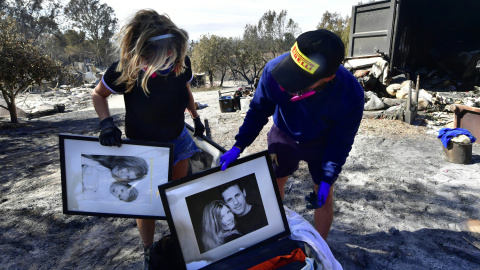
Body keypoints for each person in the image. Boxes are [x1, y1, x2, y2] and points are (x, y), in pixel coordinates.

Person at [219, 29, 364, 240]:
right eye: (291, 72)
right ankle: (275, 234)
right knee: (275, 182)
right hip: (284, 134)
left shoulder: (350, 94)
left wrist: (327, 178)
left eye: (299, 81)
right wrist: (238, 146)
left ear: (328, 78)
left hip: (321, 141)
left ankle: (320, 245)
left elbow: (340, 143)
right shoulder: (273, 71)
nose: (288, 85)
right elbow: (258, 111)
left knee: (325, 194)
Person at [90, 9, 205, 269]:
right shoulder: (126, 69)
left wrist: (195, 117)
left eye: (172, 52)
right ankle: (148, 251)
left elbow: (186, 90)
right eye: (163, 52)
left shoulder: (180, 62)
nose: (169, 57)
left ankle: (182, 246)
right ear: (144, 51)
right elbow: (98, 95)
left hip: (179, 141)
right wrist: (106, 124)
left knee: (178, 195)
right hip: (144, 149)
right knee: (146, 203)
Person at [82, 154, 149, 182]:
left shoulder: (104, 172)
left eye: (128, 177)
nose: (123, 174)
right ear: (126, 161)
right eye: (128, 169)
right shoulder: (103, 154)